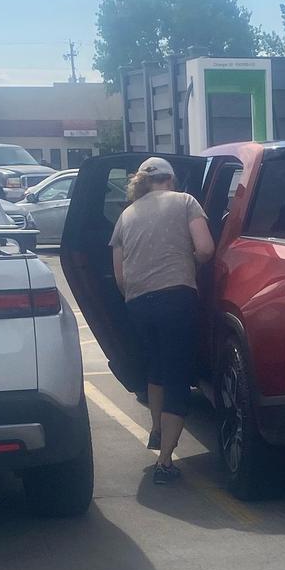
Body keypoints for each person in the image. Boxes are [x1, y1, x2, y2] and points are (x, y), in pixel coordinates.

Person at [109, 158, 214, 483]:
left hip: (138, 303)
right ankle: (165, 462)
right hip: (176, 298)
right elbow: (206, 248)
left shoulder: (126, 215)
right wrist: (188, 265)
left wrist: (138, 291)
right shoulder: (185, 202)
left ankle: (156, 430)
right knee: (177, 376)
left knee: (155, 367)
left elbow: (119, 275)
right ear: (172, 179)